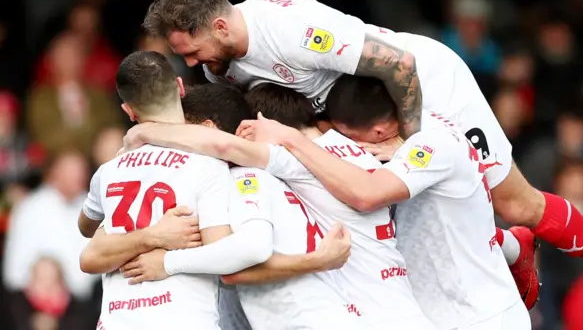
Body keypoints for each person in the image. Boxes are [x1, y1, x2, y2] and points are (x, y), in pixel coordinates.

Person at [141, 0, 583, 323]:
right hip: (359, 120)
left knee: (514, 203)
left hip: (422, 85)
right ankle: (511, 247)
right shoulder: (218, 64)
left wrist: (411, 146)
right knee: (406, 214)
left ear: (221, 27)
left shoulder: (288, 30)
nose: (192, 62)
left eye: (191, 50)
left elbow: (397, 65)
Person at [125, 83, 527, 329]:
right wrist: (508, 244)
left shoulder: (282, 167)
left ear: (263, 124)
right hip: (406, 313)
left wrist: (145, 131)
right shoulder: (368, 155)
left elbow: (228, 148)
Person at [118, 82, 361, 330]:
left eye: (181, 133)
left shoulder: (244, 178)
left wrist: (168, 262)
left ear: (206, 131)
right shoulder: (259, 174)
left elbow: (250, 252)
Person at [77, 50, 235, 330]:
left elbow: (86, 226)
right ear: (180, 87)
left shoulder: (110, 169)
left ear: (129, 111)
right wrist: (161, 245)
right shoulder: (208, 165)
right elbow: (225, 256)